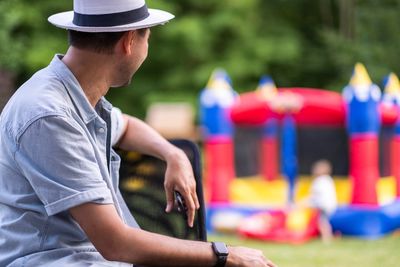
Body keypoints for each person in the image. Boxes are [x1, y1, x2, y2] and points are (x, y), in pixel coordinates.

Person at [0, 0, 276, 266]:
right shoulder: (48, 115)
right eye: (148, 38)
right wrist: (225, 254)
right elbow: (115, 244)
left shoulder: (77, 97)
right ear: (129, 41)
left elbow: (127, 126)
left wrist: (173, 153)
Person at [307, 160, 338, 243]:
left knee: (322, 222)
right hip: (330, 204)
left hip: (324, 205)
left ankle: (326, 237)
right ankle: (327, 236)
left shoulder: (319, 181)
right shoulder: (328, 180)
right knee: (324, 221)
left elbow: (316, 196)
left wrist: (307, 203)